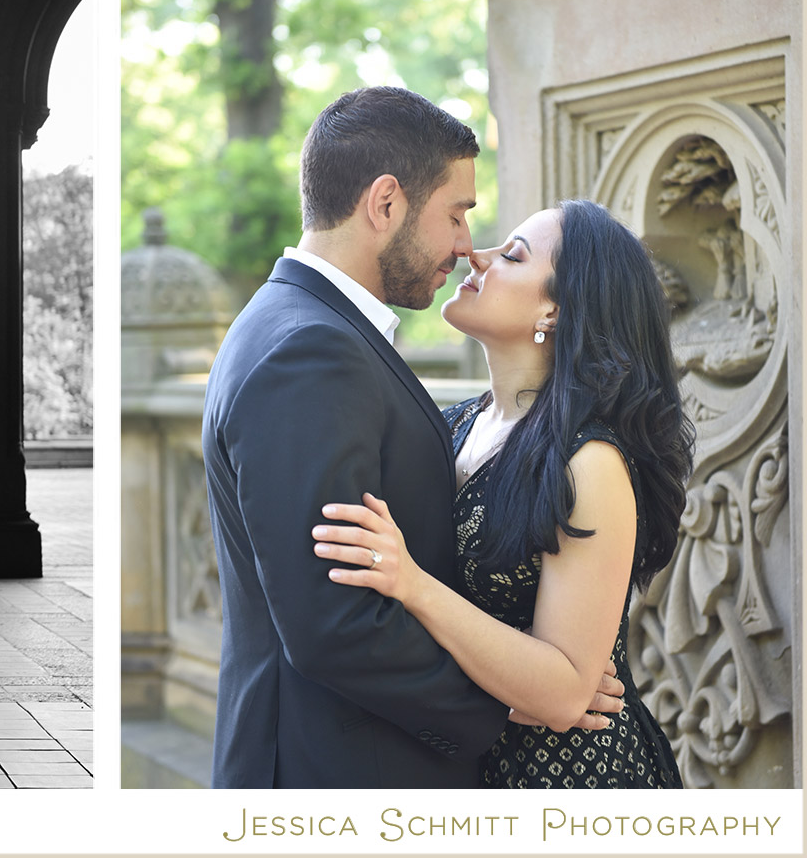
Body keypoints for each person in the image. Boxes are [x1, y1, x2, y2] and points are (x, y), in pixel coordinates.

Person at [202, 86, 623, 789]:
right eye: (457, 213)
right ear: (386, 202)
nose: (466, 245)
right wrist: (516, 700)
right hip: (335, 775)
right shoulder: (310, 352)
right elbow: (336, 623)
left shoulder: (302, 327)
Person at [310, 199, 690, 788]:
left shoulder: (588, 463)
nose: (473, 254)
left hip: (567, 781)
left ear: (556, 310)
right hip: (455, 759)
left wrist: (413, 585)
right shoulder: (451, 425)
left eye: (511, 255)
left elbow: (566, 695)